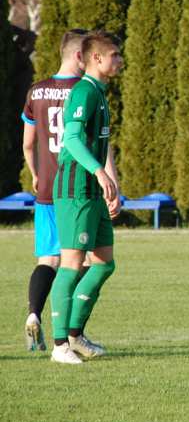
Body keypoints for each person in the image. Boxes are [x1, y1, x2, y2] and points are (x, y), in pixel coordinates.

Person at [49, 30, 123, 364]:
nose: (119, 61)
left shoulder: (100, 93)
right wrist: (98, 171)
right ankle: (60, 344)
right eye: (115, 55)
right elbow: (73, 140)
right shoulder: (84, 92)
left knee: (105, 263)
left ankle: (76, 333)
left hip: (93, 190)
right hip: (75, 188)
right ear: (96, 58)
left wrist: (110, 184)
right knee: (72, 263)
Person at [21, 29, 88, 351]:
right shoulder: (85, 91)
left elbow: (28, 143)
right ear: (79, 56)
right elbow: (99, 145)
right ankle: (73, 333)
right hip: (78, 187)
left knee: (48, 258)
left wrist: (36, 174)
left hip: (47, 186)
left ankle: (34, 313)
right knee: (87, 260)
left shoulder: (36, 91)